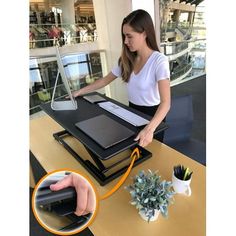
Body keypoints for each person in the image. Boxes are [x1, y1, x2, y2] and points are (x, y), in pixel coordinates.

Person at [72, 9, 170, 147]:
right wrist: (80, 92)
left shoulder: (159, 61)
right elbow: (105, 80)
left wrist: (149, 129)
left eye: (129, 36)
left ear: (145, 33)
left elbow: (166, 103)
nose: (125, 41)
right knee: (132, 152)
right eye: (124, 36)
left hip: (153, 117)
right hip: (132, 112)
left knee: (153, 155)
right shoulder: (127, 59)